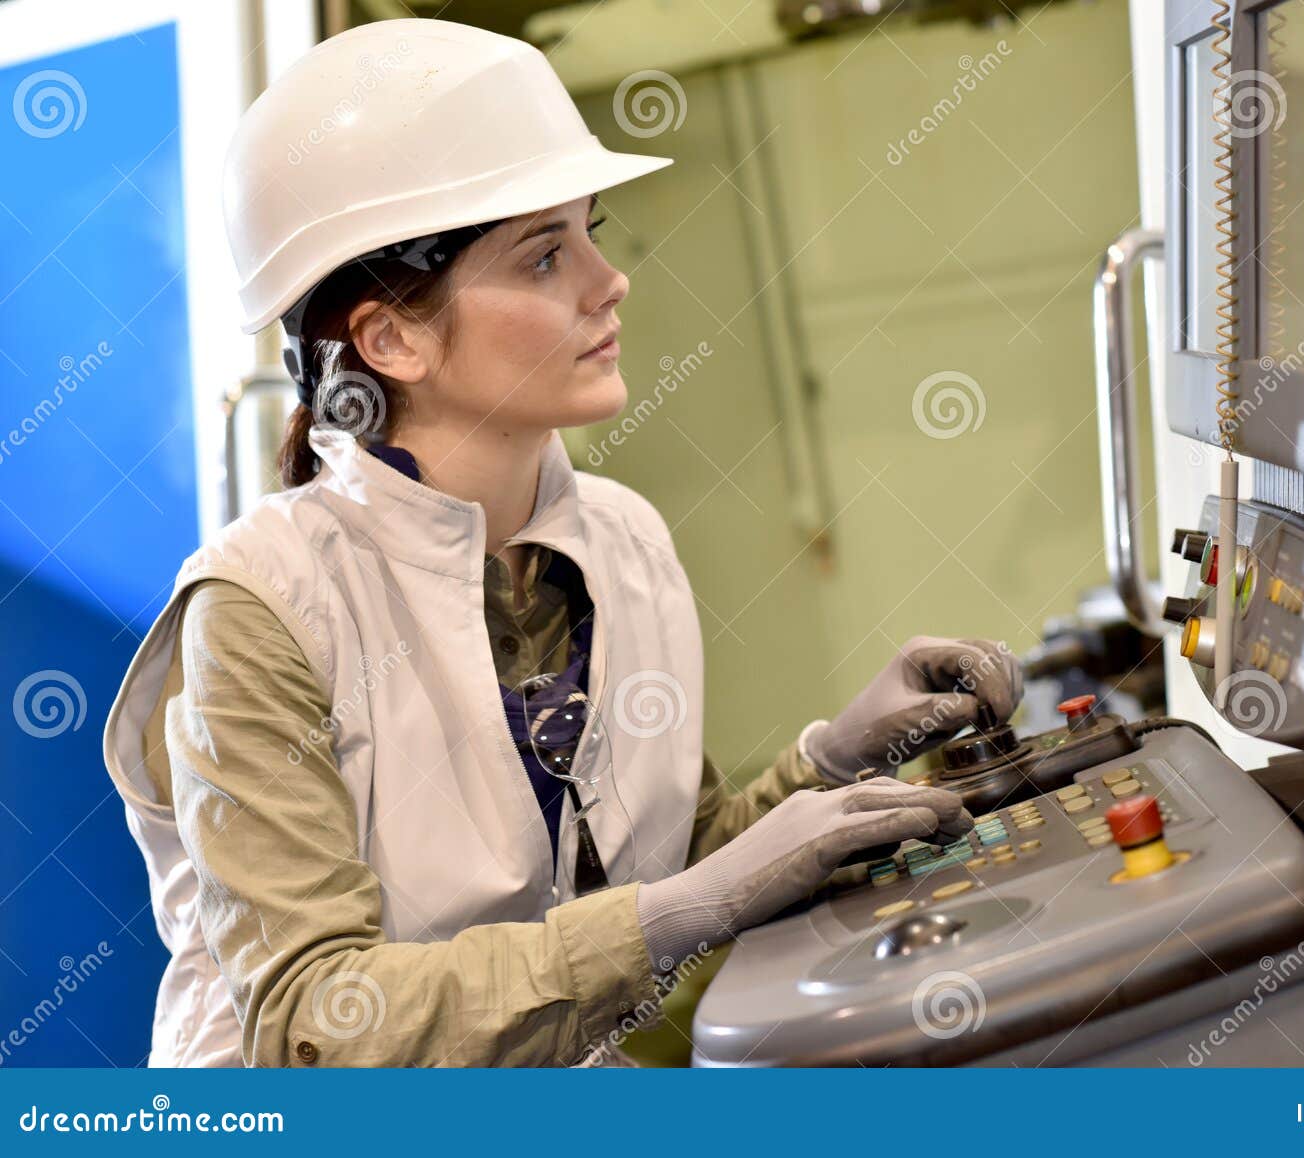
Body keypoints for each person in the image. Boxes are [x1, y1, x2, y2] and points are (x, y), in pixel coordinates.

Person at [102, 19, 1021, 1068]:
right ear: (391, 339)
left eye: (592, 231)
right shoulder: (261, 612)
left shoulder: (620, 538)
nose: (608, 279)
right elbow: (318, 1026)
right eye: (544, 254)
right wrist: (690, 903)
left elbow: (665, 875)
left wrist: (828, 762)